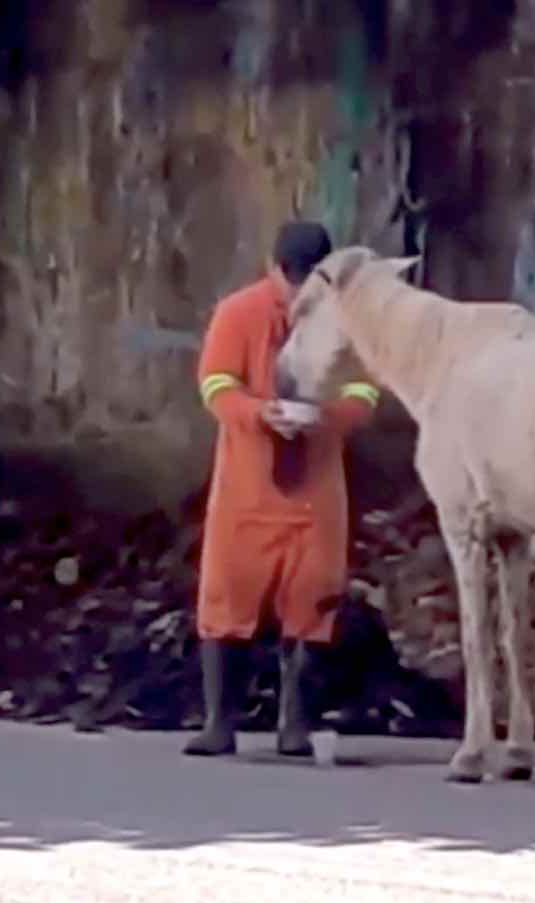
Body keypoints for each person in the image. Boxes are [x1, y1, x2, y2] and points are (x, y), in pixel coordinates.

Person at [186, 221, 380, 757]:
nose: (296, 293)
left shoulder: (342, 320)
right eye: (289, 281)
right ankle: (219, 723)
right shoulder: (238, 312)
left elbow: (365, 388)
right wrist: (258, 413)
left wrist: (331, 417)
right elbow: (214, 383)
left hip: (315, 489)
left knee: (315, 595)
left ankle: (295, 724)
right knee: (227, 594)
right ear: (273, 269)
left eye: (306, 282)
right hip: (247, 487)